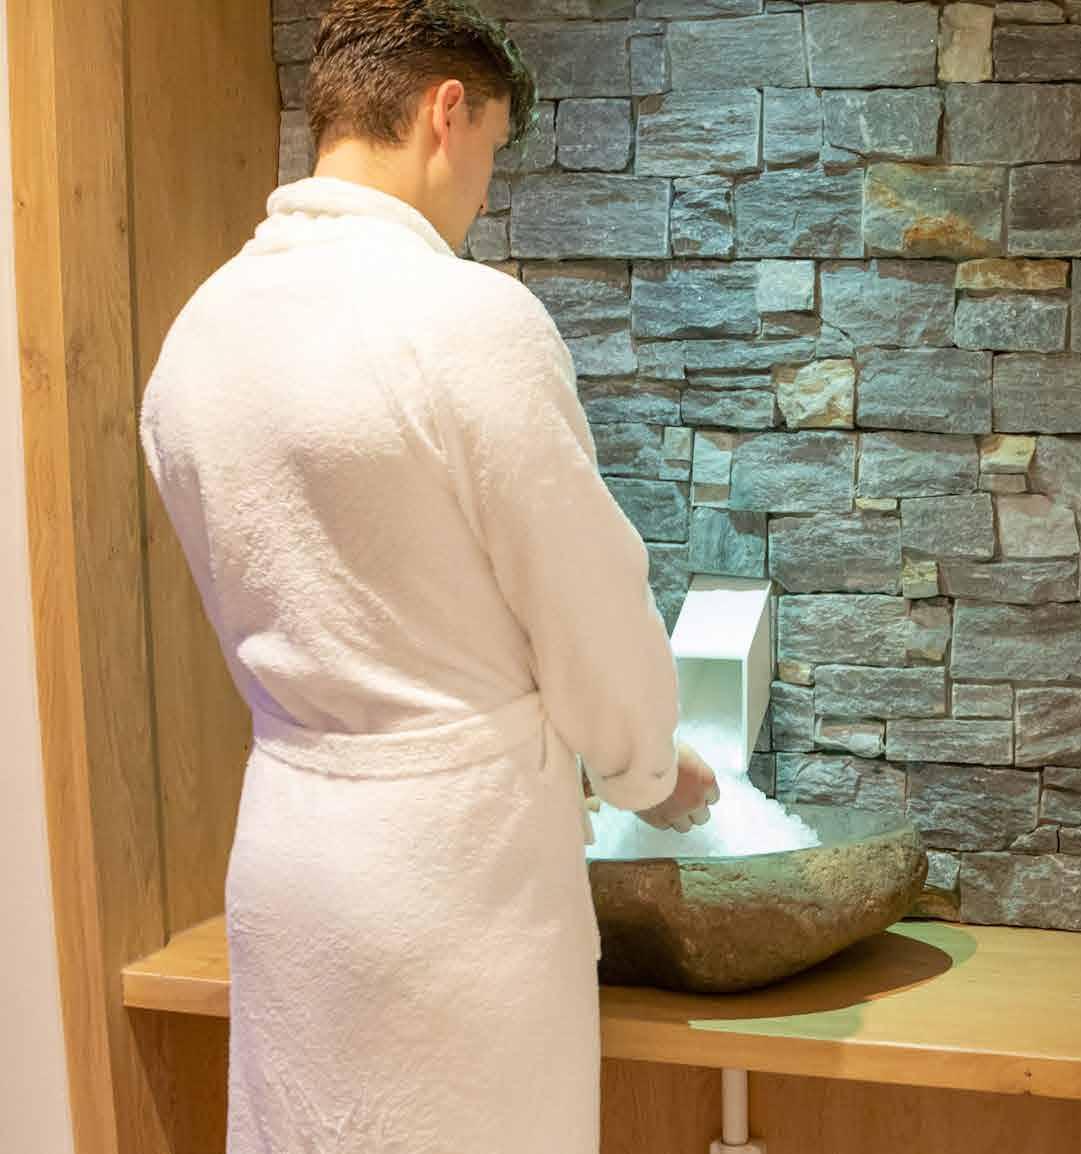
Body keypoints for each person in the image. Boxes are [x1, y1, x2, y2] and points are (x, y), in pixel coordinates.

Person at [138, 3, 718, 1150]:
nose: (481, 195)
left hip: (289, 858)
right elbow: (586, 597)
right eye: (491, 150)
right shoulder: (464, 321)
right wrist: (646, 766)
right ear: (445, 114)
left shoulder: (197, 337)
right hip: (454, 883)